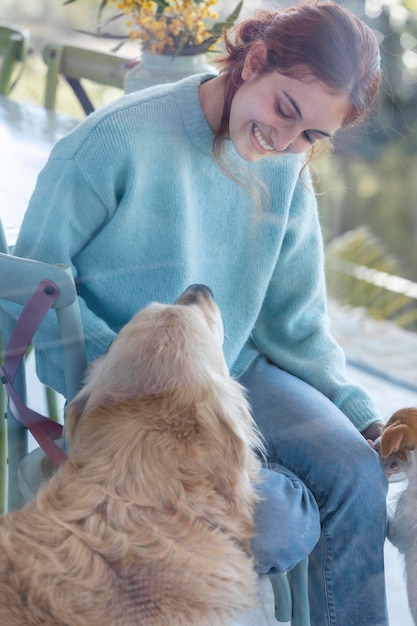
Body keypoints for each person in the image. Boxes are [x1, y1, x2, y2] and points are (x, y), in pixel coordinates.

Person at [9, 1, 388, 624]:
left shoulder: (284, 167)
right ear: (255, 62)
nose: (285, 143)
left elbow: (294, 323)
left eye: (313, 136)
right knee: (281, 523)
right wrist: (127, 371)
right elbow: (25, 298)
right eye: (284, 110)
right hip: (131, 402)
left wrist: (361, 417)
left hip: (236, 372)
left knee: (356, 475)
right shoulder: (110, 143)